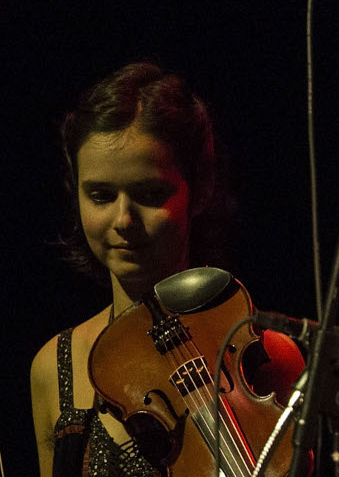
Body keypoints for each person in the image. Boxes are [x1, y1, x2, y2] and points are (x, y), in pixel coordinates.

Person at [29, 62, 236, 476]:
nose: (124, 219)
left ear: (201, 189)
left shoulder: (254, 353)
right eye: (101, 196)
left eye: (150, 193)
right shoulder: (55, 366)